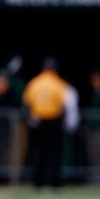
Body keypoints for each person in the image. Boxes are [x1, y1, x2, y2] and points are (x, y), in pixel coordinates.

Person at [22, 58, 72, 188]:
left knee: (39, 152)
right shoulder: (58, 83)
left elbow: (27, 103)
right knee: (55, 153)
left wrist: (31, 119)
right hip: (54, 121)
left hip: (38, 121)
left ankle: (38, 181)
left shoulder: (35, 82)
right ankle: (55, 181)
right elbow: (64, 105)